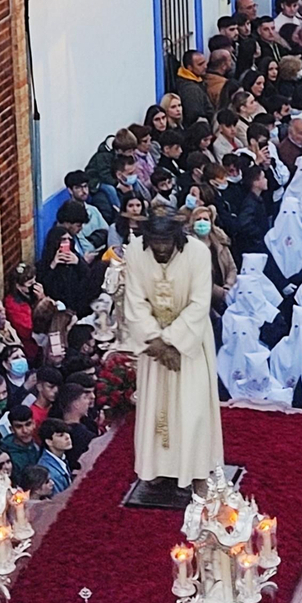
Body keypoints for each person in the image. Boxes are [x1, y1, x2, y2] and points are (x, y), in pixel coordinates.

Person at [121, 205, 223, 494]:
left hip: (189, 346)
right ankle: (156, 468)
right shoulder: (136, 253)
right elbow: (135, 301)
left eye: (166, 242)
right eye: (155, 242)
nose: (161, 249)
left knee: (193, 408)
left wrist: (174, 342)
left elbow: (200, 303)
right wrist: (155, 341)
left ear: (178, 236)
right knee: (155, 408)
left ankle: (196, 469)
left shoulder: (198, 254)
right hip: (154, 350)